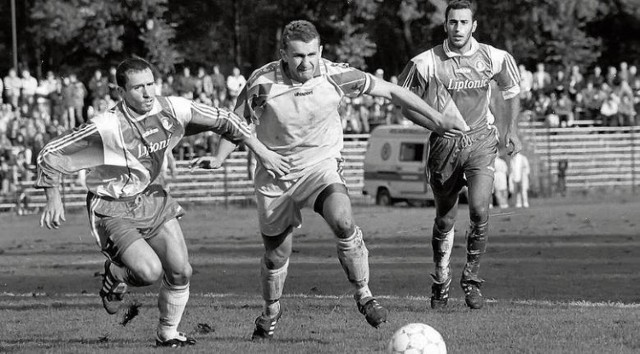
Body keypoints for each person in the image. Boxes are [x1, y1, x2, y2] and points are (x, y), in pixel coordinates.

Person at [192, 19, 469, 340]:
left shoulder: (335, 75)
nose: (305, 62)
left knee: (343, 220)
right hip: (275, 175)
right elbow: (236, 122)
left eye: (311, 54)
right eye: (297, 56)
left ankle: (364, 295)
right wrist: (218, 157)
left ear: (320, 51)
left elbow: (393, 91)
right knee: (277, 254)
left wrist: (437, 119)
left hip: (320, 167)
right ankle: (270, 312)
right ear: (283, 53)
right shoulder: (263, 82)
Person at [36, 58, 290, 347]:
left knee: (181, 270)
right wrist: (52, 197)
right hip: (112, 207)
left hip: (151, 197)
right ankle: (115, 273)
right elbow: (50, 152)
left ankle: (167, 333)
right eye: (137, 88)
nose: (147, 93)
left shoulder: (171, 108)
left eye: (149, 84)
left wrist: (260, 151)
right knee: (148, 272)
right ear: (121, 92)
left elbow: (225, 118)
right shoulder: (106, 126)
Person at [398, 0, 522, 310]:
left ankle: (471, 279)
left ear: (473, 26)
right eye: (453, 22)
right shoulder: (425, 62)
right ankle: (441, 279)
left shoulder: (494, 57)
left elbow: (512, 91)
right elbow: (404, 103)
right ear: (445, 25)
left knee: (480, 209)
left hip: (481, 141)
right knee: (446, 217)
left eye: (464, 22)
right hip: (444, 147)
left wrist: (512, 129)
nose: (458, 28)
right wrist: (436, 124)